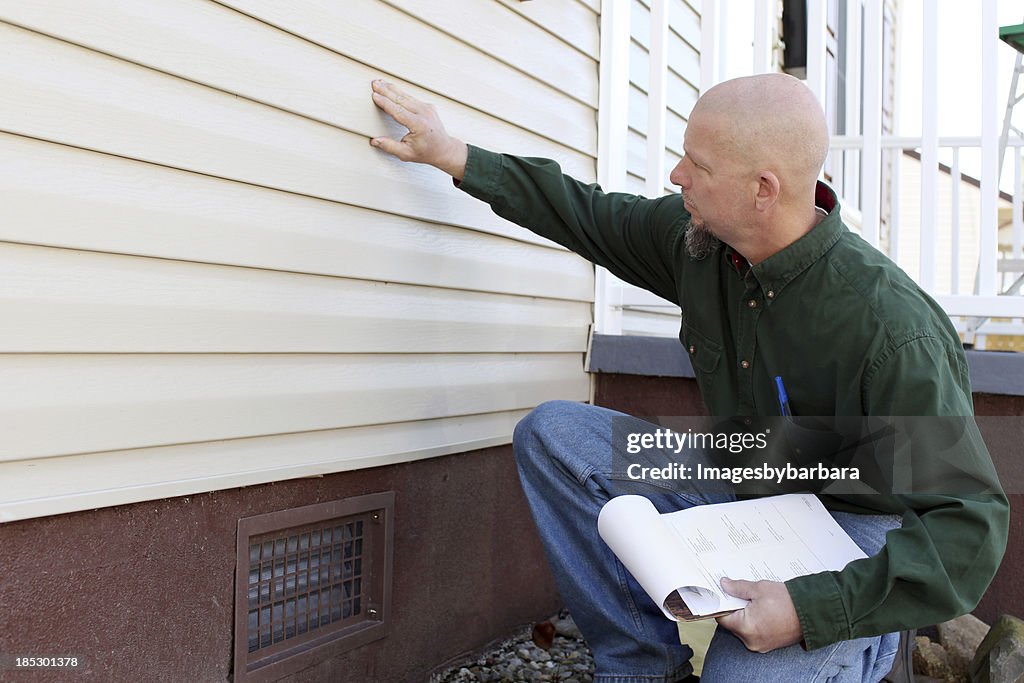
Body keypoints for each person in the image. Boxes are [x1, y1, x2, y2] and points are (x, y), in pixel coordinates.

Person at [369, 74, 1008, 683]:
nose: (676, 177)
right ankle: (645, 663)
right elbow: (587, 213)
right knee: (558, 436)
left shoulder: (892, 328)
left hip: (854, 523)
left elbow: (969, 526)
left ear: (764, 188)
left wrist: (809, 609)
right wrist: (453, 154)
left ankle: (866, 647)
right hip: (739, 473)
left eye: (696, 166)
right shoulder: (700, 246)